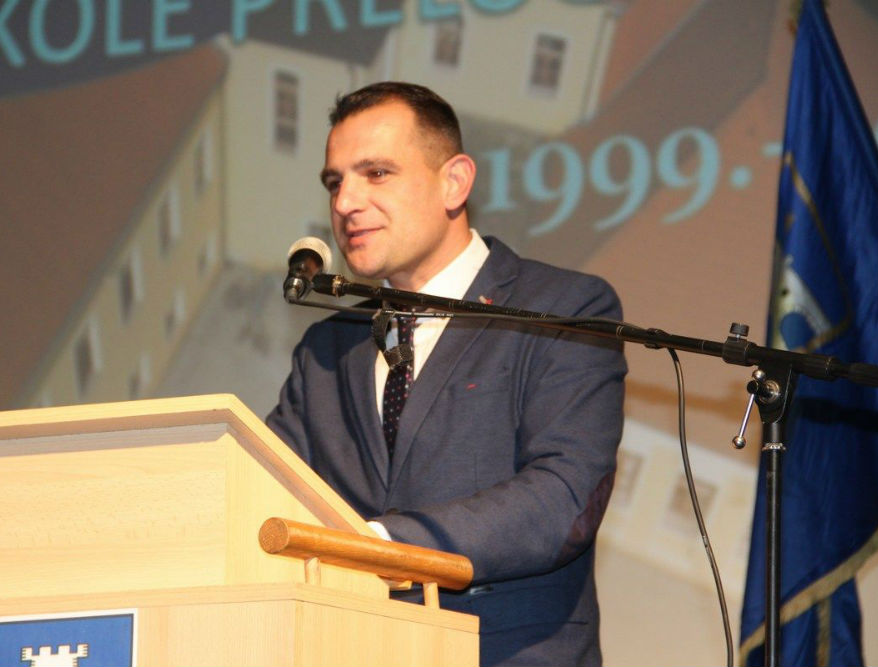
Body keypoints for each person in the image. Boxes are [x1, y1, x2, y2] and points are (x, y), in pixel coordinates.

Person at [266, 81, 626, 667]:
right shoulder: (325, 349)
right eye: (334, 182)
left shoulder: (562, 309)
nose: (346, 202)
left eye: (376, 173)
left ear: (454, 182)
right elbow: (263, 491)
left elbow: (563, 497)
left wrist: (382, 545)